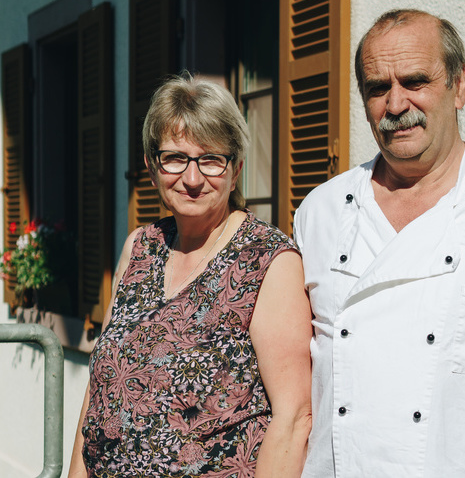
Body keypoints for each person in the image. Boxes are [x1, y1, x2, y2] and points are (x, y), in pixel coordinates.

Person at [69, 74, 312, 477]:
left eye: (211, 159)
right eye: (176, 158)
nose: (193, 179)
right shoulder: (141, 247)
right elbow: (100, 391)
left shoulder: (268, 260)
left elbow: (294, 418)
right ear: (152, 167)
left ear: (235, 170)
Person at [294, 8, 465, 477]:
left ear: (459, 86)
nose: (395, 104)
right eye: (377, 88)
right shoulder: (320, 212)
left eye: (415, 80)